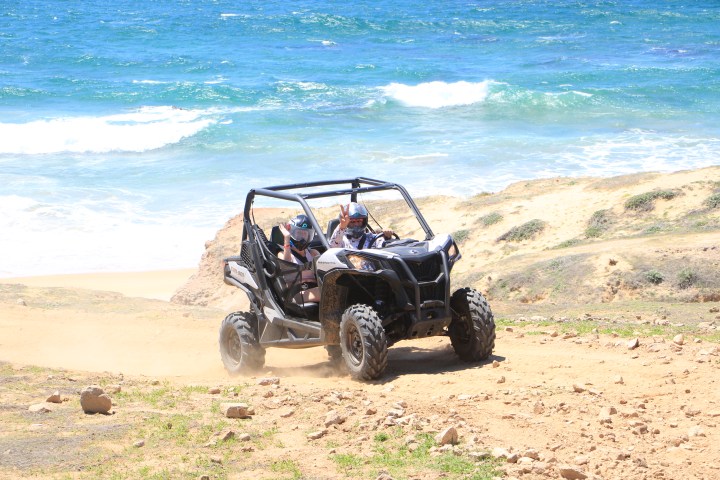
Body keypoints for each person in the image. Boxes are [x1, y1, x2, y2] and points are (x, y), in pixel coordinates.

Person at [278, 214, 320, 303]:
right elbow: (287, 265)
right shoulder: (282, 254)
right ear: (291, 233)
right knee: (324, 292)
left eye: (305, 234)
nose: (302, 238)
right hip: (295, 294)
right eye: (299, 234)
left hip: (315, 288)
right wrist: (287, 238)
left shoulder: (313, 253)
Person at [329, 202, 394, 250]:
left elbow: (385, 249)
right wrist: (342, 227)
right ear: (347, 224)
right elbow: (333, 247)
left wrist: (388, 236)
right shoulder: (342, 240)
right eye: (352, 222)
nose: (356, 224)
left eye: (359, 221)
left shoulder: (372, 238)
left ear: (364, 222)